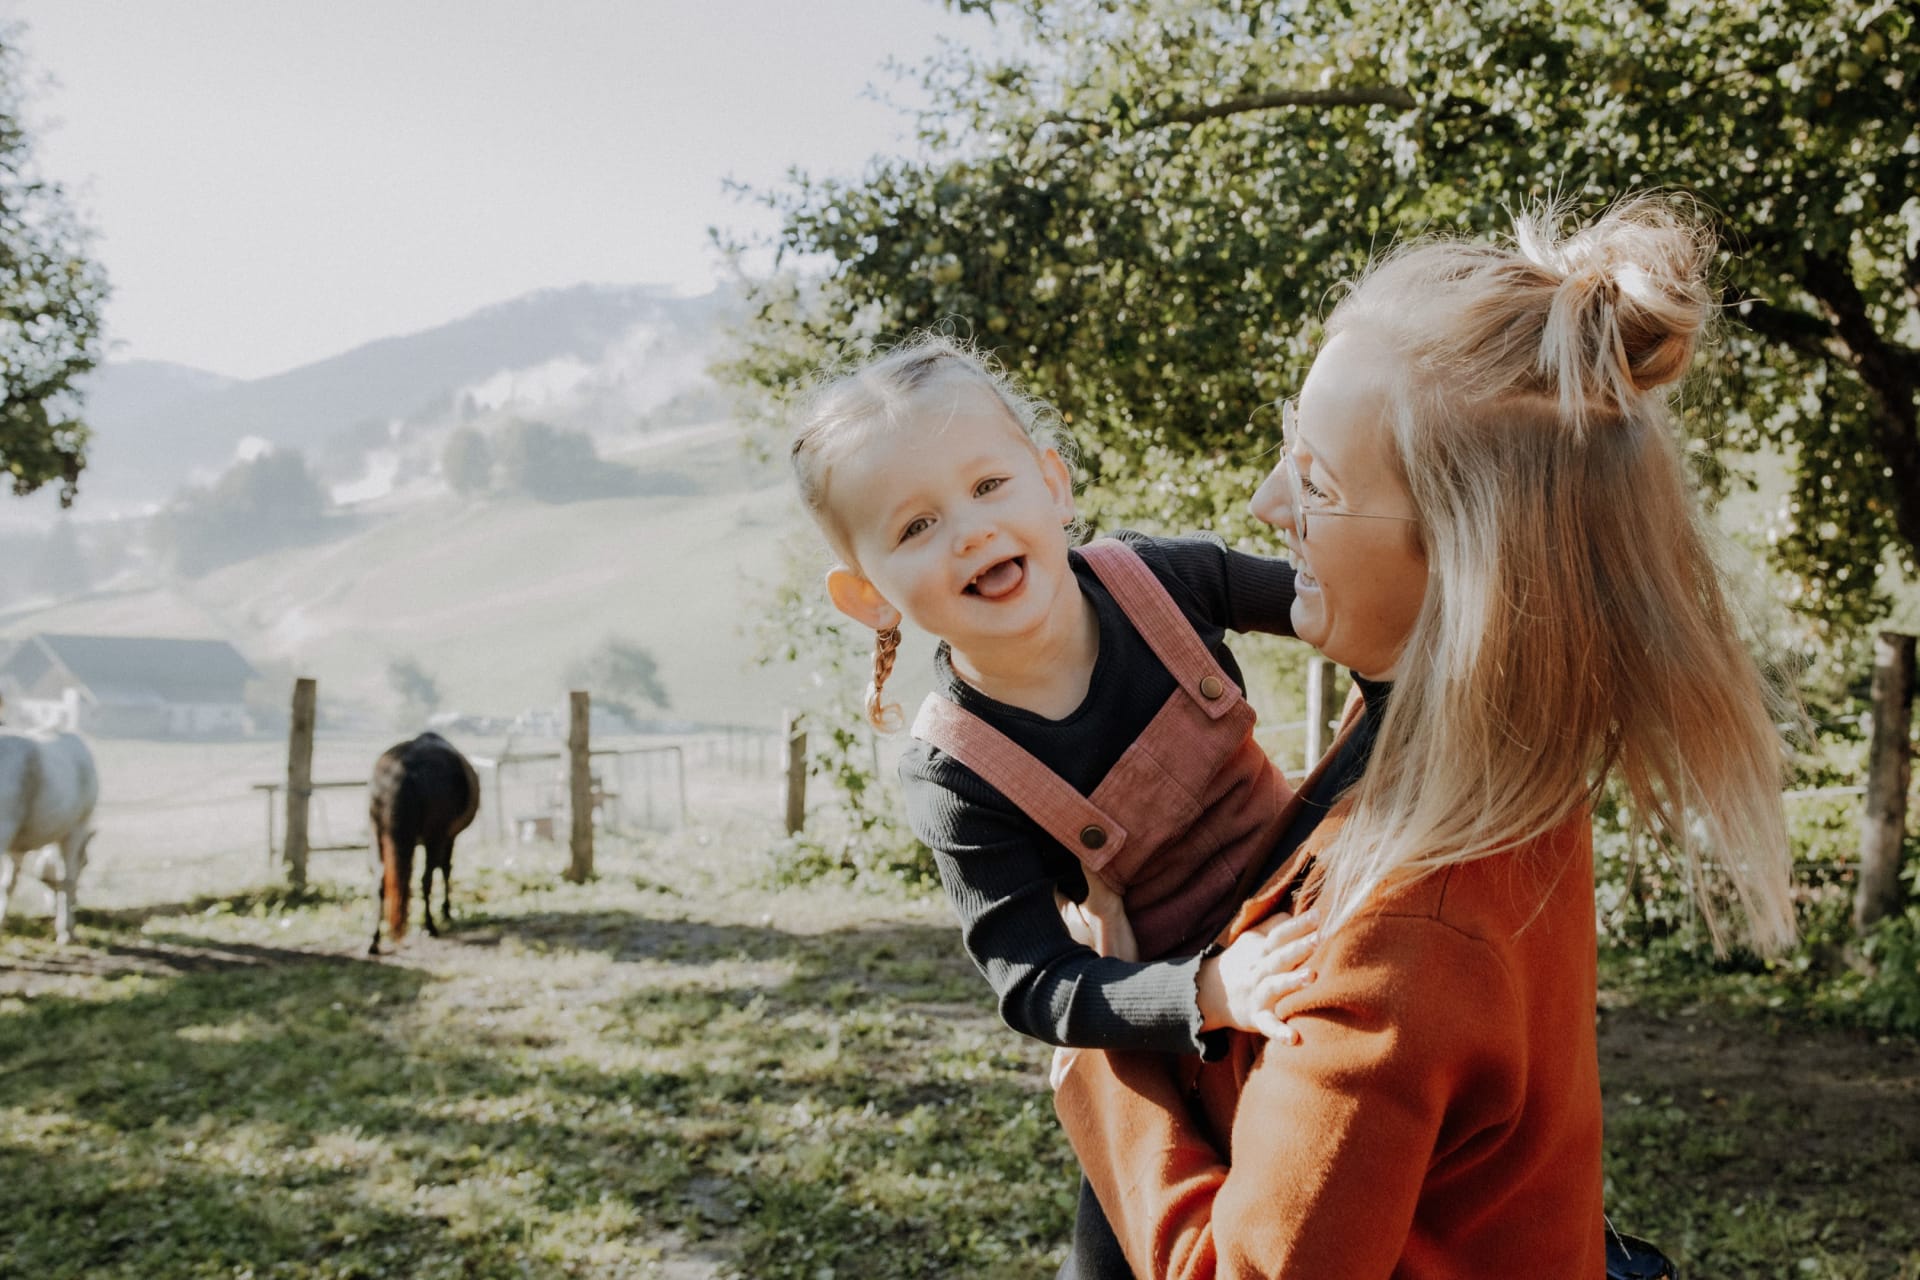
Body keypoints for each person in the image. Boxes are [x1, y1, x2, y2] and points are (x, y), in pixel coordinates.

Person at [1051, 197, 1798, 1279]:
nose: (1265, 502)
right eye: (1287, 451)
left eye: (1318, 481)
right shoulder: (1476, 753)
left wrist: (1094, 1036)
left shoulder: (1408, 927)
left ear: (1464, 558)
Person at [789, 336, 1323, 1271]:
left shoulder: (1163, 582)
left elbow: (1343, 609)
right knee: (1129, 1253)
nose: (970, 531)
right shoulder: (956, 772)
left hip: (1309, 901)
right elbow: (1036, 980)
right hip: (1165, 1020)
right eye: (916, 527)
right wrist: (1202, 993)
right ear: (869, 595)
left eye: (989, 486)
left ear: (1052, 484)